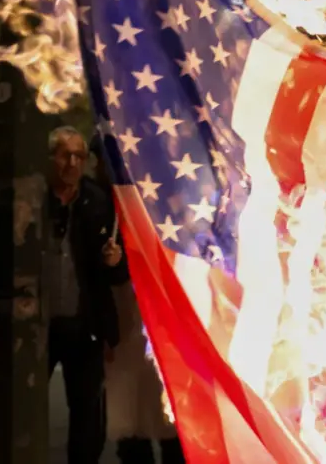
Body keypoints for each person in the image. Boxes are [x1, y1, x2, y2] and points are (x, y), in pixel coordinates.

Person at [89, 137, 185, 464]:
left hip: (160, 312)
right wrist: (111, 263)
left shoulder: (162, 199)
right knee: (130, 408)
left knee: (164, 407)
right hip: (121, 317)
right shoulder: (99, 202)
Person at [43, 126, 129, 464]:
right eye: (65, 155)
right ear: (51, 158)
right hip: (39, 325)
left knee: (88, 416)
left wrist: (114, 261)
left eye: (79, 156)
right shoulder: (32, 196)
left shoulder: (97, 201)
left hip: (84, 325)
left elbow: (115, 275)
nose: (73, 163)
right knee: (23, 404)